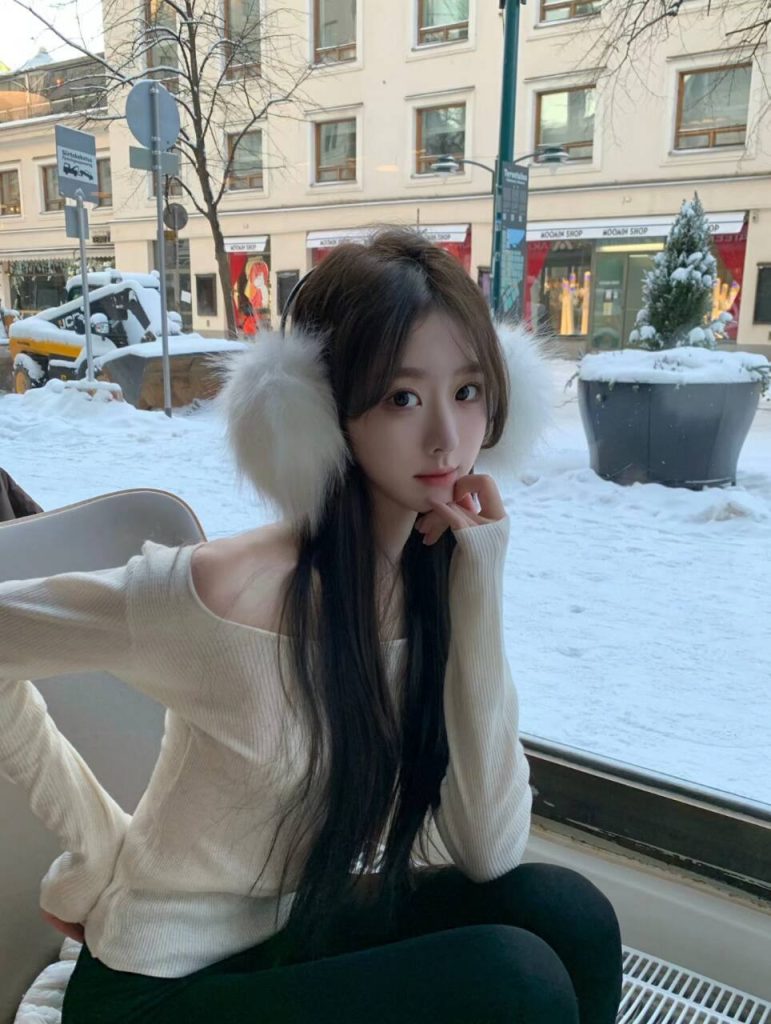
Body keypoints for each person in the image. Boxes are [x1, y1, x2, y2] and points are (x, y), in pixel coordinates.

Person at [0, 228, 622, 1024]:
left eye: (467, 391)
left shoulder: (438, 582)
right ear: (316, 411)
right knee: (514, 982)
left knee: (567, 913)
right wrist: (96, 849)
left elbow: (487, 848)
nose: (447, 437)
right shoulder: (217, 593)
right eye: (402, 398)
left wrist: (479, 586)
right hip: (154, 988)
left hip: (293, 937)